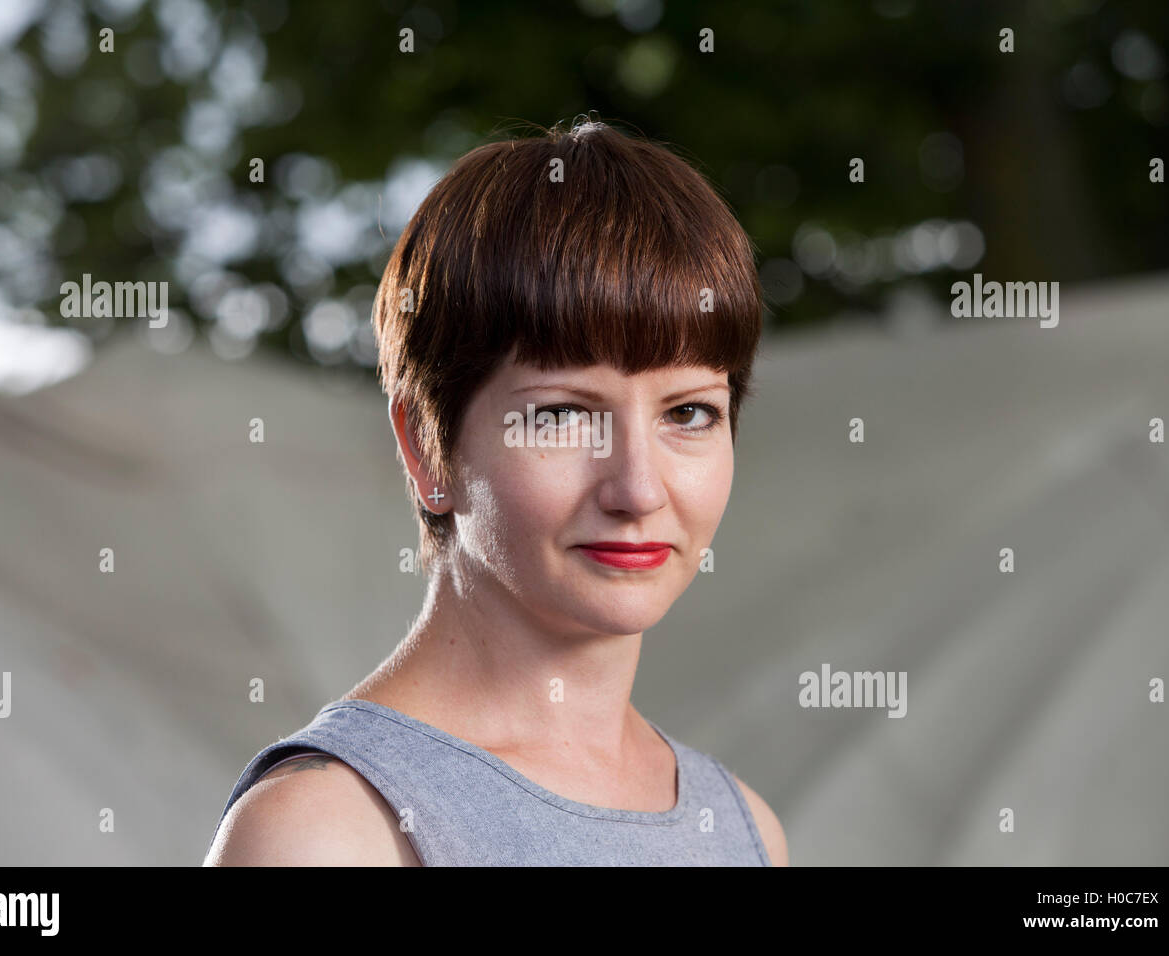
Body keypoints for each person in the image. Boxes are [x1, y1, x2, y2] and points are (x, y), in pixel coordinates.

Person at [204, 117, 788, 866]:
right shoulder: (327, 834)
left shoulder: (747, 833)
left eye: (688, 412)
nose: (638, 489)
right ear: (426, 447)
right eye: (561, 415)